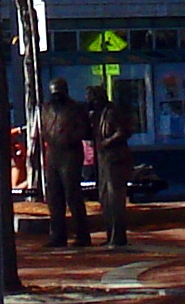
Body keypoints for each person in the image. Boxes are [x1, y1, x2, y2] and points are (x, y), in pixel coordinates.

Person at [32, 79, 89, 248]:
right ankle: (57, 235)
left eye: (59, 92)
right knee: (54, 196)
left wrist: (69, 137)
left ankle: (82, 235)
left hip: (71, 153)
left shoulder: (76, 108)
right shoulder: (45, 108)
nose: (56, 96)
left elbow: (85, 130)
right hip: (53, 153)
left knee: (73, 194)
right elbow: (42, 128)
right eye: (54, 92)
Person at [90, 89, 135, 250]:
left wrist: (108, 142)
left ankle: (118, 236)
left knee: (115, 198)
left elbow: (123, 131)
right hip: (103, 160)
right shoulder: (97, 115)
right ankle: (111, 235)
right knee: (105, 199)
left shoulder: (112, 112)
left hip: (115, 159)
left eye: (92, 98)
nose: (90, 102)